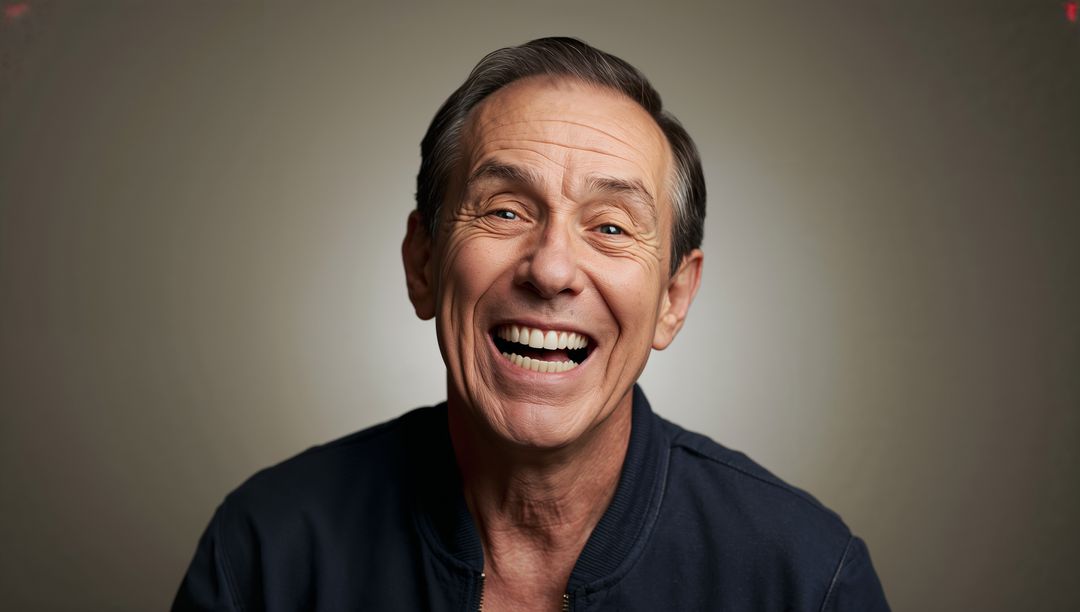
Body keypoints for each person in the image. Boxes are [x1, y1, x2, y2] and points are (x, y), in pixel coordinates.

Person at [172, 37, 889, 611]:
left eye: (609, 227)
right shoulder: (265, 553)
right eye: (506, 210)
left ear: (674, 297)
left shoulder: (807, 579)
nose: (551, 270)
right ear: (424, 263)